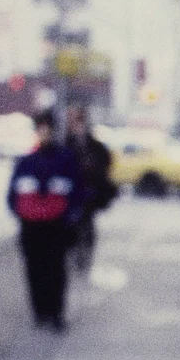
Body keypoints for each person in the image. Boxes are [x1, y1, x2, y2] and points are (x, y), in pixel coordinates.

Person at [7, 108, 85, 331]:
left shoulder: (66, 159)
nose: (44, 135)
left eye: (47, 130)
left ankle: (56, 312)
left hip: (56, 226)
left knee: (56, 269)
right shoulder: (26, 161)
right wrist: (21, 212)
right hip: (32, 227)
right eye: (40, 130)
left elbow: (77, 191)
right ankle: (40, 311)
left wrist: (71, 215)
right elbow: (13, 194)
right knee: (35, 269)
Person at [62, 104, 115, 274]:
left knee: (87, 223)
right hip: (71, 192)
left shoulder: (94, 145)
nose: (78, 126)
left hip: (89, 191)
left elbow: (105, 162)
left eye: (80, 121)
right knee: (72, 225)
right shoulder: (67, 143)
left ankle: (84, 255)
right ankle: (74, 253)